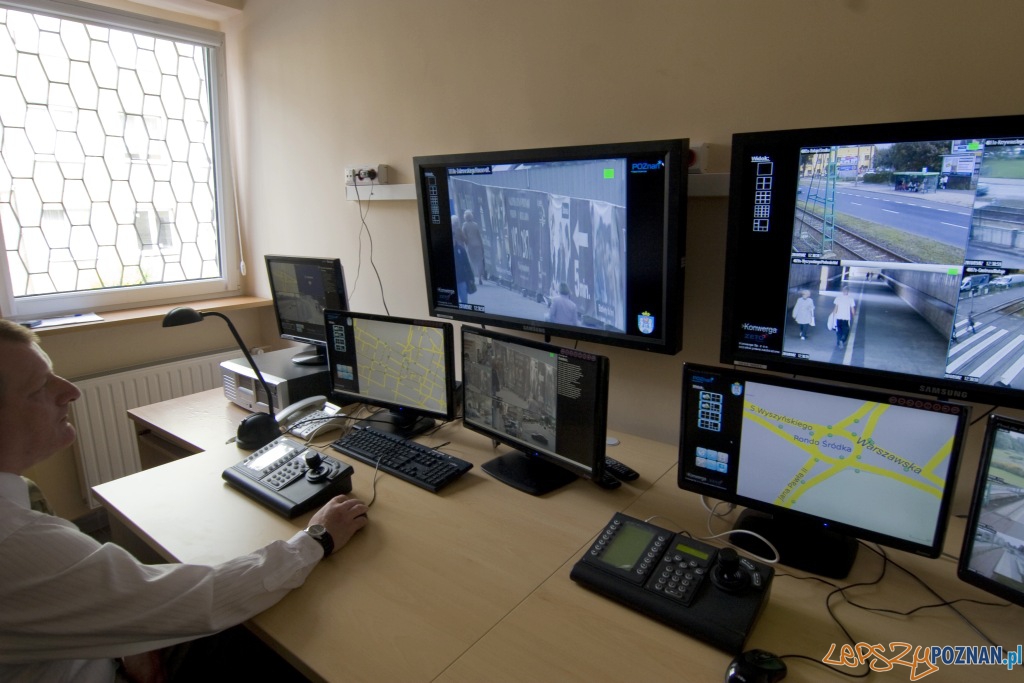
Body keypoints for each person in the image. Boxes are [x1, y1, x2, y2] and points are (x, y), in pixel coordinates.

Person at [0, 318, 369, 682]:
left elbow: (106, 601)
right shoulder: (16, 543)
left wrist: (128, 637)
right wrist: (315, 539)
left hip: (95, 651)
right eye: (37, 389)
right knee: (288, 641)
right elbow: (202, 601)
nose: (70, 391)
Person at [452, 220, 475, 303]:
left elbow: (467, 264)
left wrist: (471, 278)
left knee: (464, 301)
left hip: (462, 279)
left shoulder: (461, 250)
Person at [461, 209, 486, 286]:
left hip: (470, 246)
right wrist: (482, 245)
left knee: (472, 261)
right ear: (471, 216)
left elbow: (463, 237)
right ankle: (479, 278)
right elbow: (479, 236)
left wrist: (466, 244)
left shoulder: (464, 225)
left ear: (465, 217)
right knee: (479, 261)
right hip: (478, 245)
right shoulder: (475, 225)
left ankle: (473, 278)